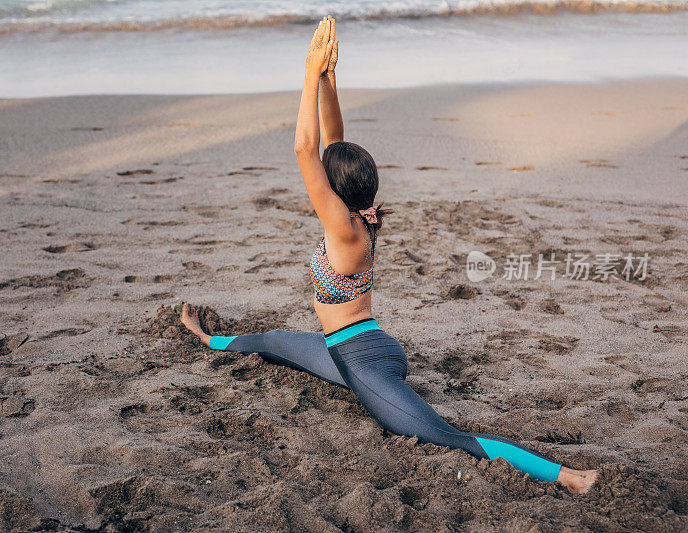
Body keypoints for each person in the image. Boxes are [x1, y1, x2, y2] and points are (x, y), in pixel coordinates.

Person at [181, 16, 598, 494]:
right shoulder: (360, 213)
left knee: (444, 437)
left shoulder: (346, 232)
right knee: (274, 342)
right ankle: (208, 340)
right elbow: (332, 138)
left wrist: (306, 68)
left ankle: (567, 476)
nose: (320, 175)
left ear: (334, 193)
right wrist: (327, 78)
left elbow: (304, 148)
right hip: (352, 345)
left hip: (365, 361)